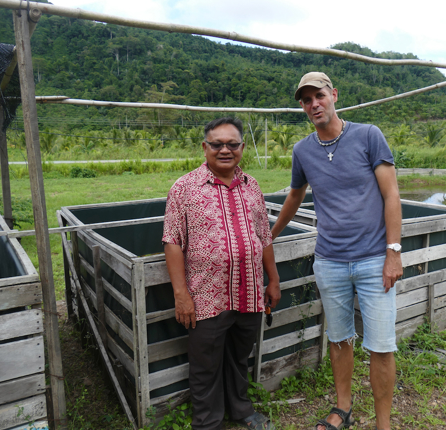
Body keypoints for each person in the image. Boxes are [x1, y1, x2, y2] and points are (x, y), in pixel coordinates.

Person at [271, 72, 403, 430]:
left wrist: (393, 252)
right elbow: (295, 196)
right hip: (329, 260)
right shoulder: (302, 150)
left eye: (320, 96)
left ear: (334, 96)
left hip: (375, 259)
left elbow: (391, 194)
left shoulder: (368, 135)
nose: (314, 104)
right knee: (339, 337)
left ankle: (384, 424)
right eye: (306, 99)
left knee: (380, 344)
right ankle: (343, 408)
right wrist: (270, 234)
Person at [162, 117, 280, 430]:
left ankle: (240, 411)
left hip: (250, 292)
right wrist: (181, 294)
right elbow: (172, 241)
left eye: (232, 144)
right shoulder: (184, 188)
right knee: (205, 365)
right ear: (205, 147)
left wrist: (274, 280)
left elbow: (263, 235)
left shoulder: (252, 185)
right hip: (206, 296)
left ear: (241, 147)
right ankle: (207, 423)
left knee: (239, 357)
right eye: (217, 144)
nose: (224, 150)